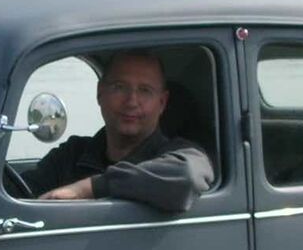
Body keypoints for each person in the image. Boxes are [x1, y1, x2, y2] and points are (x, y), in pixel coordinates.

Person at [19, 51, 213, 212]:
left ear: (162, 103)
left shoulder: (180, 154)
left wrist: (88, 189)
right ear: (100, 93)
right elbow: (20, 194)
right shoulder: (72, 155)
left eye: (145, 90)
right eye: (119, 87)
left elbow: (187, 176)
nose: (131, 102)